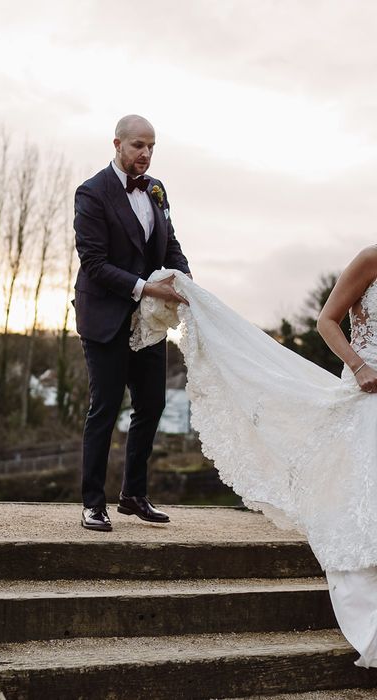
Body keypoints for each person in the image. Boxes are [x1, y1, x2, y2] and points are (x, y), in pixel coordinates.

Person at [133, 254, 377, 668]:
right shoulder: (372, 257)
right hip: (368, 388)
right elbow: (326, 321)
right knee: (361, 507)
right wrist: (358, 365)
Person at [73, 114, 190, 531]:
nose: (146, 153)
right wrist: (148, 288)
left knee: (152, 404)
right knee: (104, 409)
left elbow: (170, 245)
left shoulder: (156, 190)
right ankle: (92, 503)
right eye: (138, 145)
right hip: (104, 316)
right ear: (118, 144)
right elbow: (94, 263)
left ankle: (133, 495)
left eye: (152, 146)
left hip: (148, 323)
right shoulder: (91, 192)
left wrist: (185, 281)